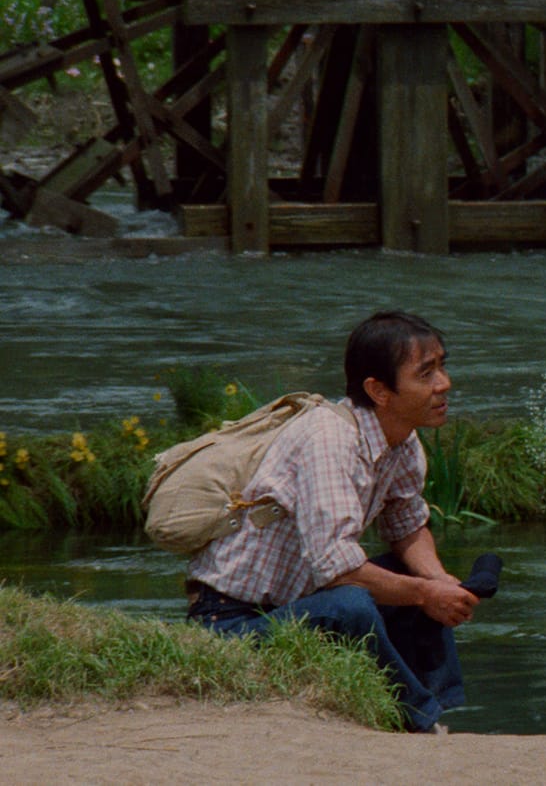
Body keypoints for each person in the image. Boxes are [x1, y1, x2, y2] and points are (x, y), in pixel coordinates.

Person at [184, 310, 495, 733]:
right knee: (354, 603)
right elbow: (337, 569)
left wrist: (438, 581)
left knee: (418, 581)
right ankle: (418, 720)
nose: (444, 383)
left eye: (442, 367)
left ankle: (437, 709)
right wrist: (426, 594)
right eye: (426, 373)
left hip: (299, 604)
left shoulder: (402, 440)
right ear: (378, 390)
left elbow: (406, 525)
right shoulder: (329, 439)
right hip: (233, 622)